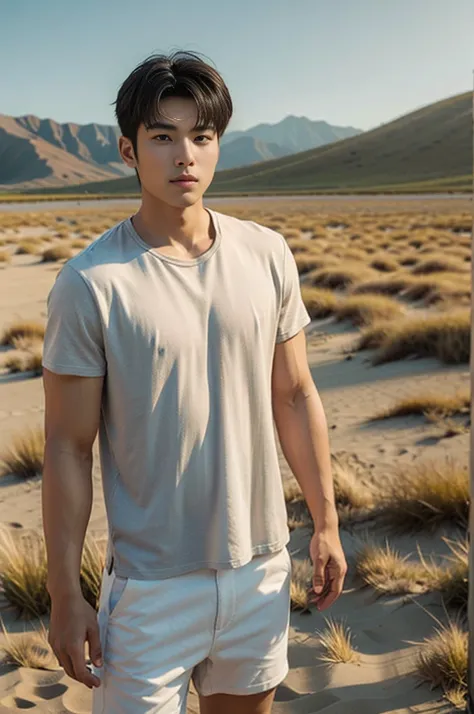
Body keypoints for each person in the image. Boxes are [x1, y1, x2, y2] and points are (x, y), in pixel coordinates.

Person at [41, 50, 347, 714]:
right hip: (150, 592)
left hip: (260, 570)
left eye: (201, 136)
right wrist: (65, 593)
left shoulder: (266, 253)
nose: (185, 154)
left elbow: (293, 394)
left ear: (217, 146)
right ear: (128, 150)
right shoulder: (90, 284)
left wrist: (325, 521)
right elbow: (67, 445)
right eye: (162, 136)